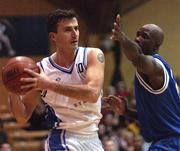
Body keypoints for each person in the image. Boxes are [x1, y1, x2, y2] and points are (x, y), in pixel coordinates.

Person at [8, 9, 105, 151]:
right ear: (53, 36)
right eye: (67, 30)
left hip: (92, 138)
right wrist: (13, 90)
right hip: (63, 138)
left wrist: (49, 85)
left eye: (76, 28)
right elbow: (22, 117)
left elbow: (92, 94)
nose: (74, 34)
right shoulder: (40, 70)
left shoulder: (92, 55)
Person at [104, 14, 180, 150]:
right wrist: (126, 111)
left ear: (156, 45)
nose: (138, 38)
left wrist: (121, 38)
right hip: (166, 142)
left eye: (145, 36)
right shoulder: (148, 71)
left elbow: (136, 57)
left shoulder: (155, 66)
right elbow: (154, 119)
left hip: (170, 143)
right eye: (138, 34)